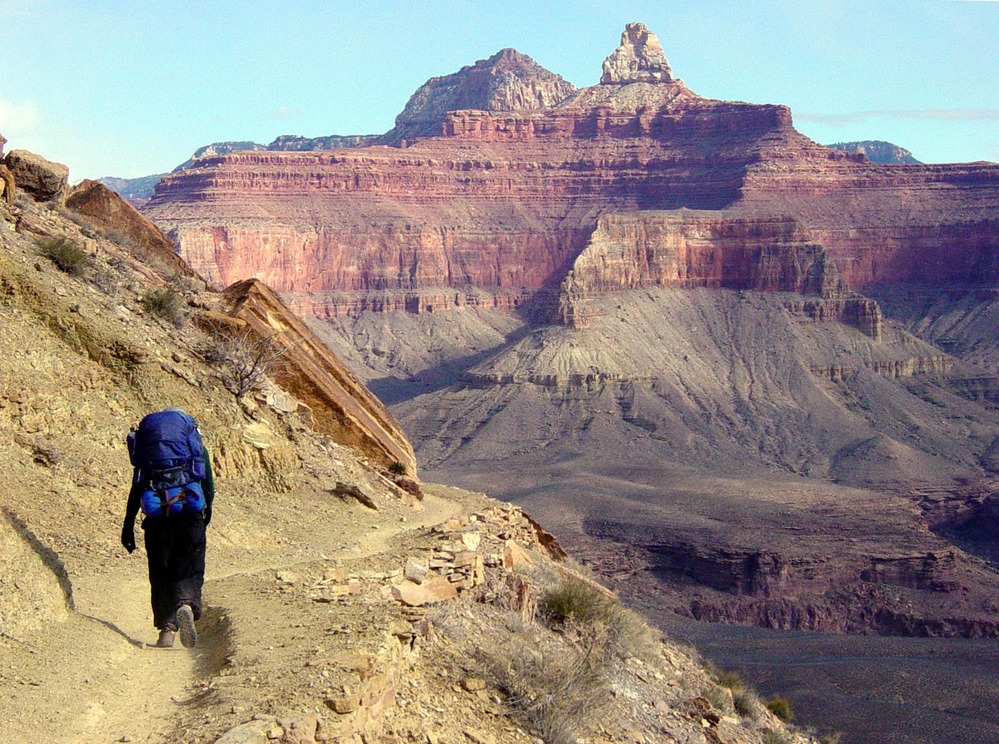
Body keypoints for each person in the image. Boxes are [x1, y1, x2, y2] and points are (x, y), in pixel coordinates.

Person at [120, 407, 214, 648]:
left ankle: (166, 632)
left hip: (157, 514)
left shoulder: (148, 452)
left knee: (160, 570)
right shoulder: (196, 449)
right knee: (191, 564)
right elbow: (208, 484)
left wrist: (128, 524)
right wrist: (207, 512)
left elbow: (137, 487)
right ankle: (186, 603)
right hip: (190, 511)